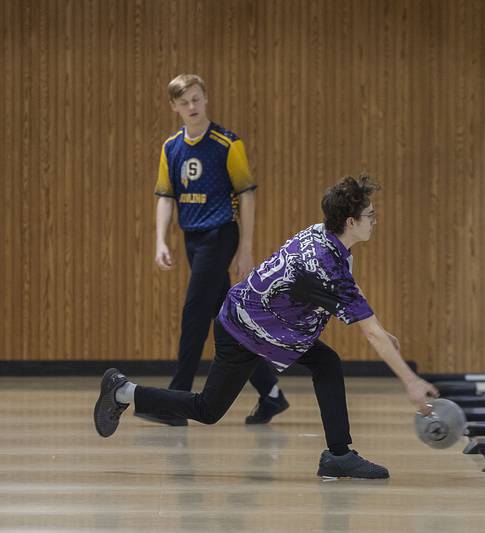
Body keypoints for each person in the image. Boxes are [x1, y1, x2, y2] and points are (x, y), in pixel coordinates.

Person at [94, 175, 439, 479]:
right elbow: (367, 329)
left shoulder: (325, 236)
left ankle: (338, 455)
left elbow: (349, 289)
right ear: (351, 221)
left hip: (264, 322)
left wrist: (378, 324)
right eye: (370, 216)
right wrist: (411, 382)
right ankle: (123, 390)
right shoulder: (325, 265)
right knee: (207, 410)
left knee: (327, 362)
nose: (375, 221)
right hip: (243, 328)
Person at [146, 73, 287, 426]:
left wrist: (246, 248)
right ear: (174, 107)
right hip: (193, 239)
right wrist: (160, 239)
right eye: (184, 102)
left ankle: (175, 401)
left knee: (194, 315)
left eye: (196, 99)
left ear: (205, 99)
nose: (191, 107)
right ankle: (271, 394)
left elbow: (247, 194)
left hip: (221, 235)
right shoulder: (171, 147)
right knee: (228, 321)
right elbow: (165, 196)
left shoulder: (227, 144)